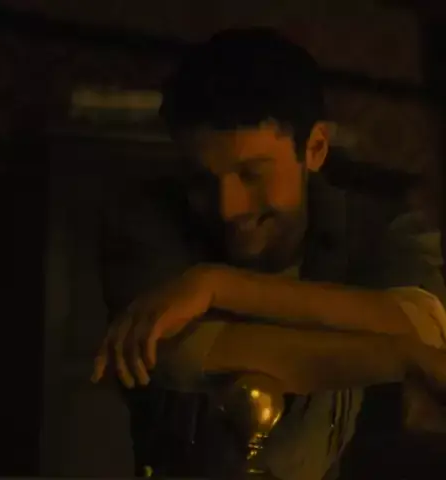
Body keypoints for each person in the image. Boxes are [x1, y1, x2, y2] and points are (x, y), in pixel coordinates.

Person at [92, 28, 446, 479]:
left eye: (252, 175)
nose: (229, 208)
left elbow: (423, 324)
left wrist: (216, 286)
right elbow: (177, 351)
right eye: (202, 180)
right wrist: (399, 356)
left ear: (314, 149)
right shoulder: (144, 221)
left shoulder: (376, 227)